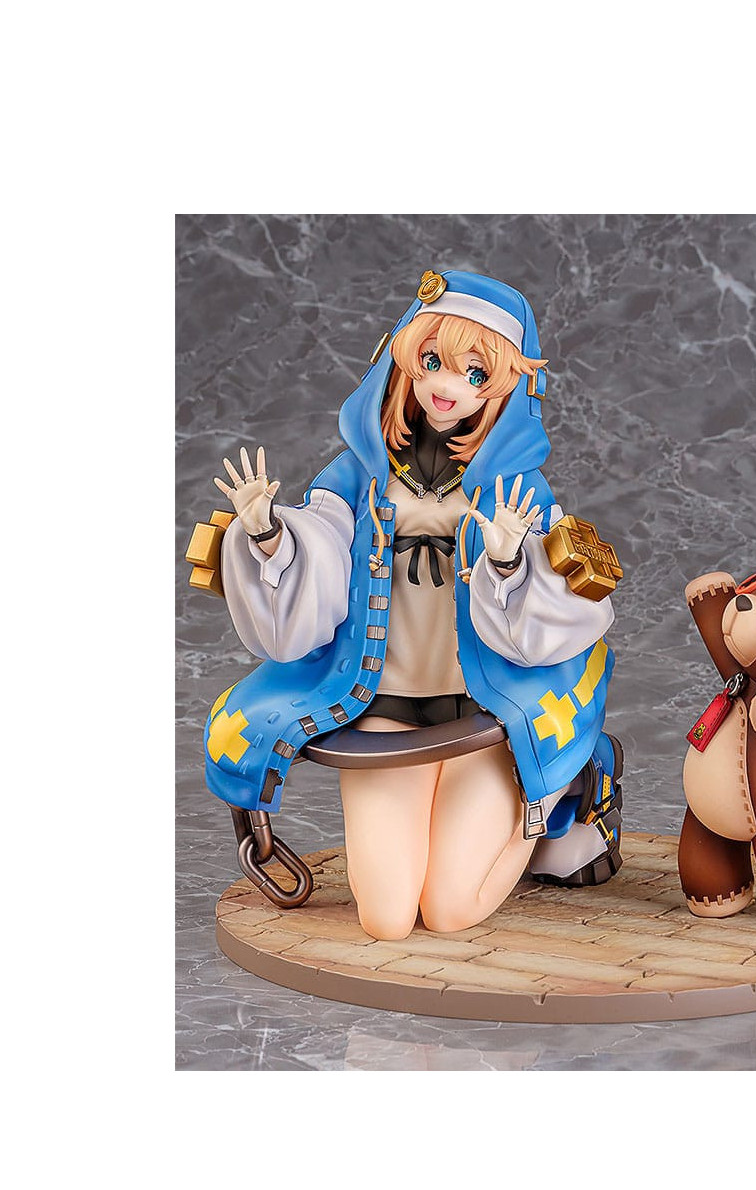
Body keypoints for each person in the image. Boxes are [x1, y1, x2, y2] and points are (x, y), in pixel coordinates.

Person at [204, 268, 621, 939]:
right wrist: (269, 535)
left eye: (474, 373)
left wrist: (510, 561)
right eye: (432, 362)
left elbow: (558, 612)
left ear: (505, 385)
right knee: (387, 919)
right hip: (384, 710)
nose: (446, 385)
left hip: (484, 714)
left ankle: (557, 800)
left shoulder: (517, 489)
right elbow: (318, 559)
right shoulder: (355, 478)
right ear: (404, 359)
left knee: (451, 910)